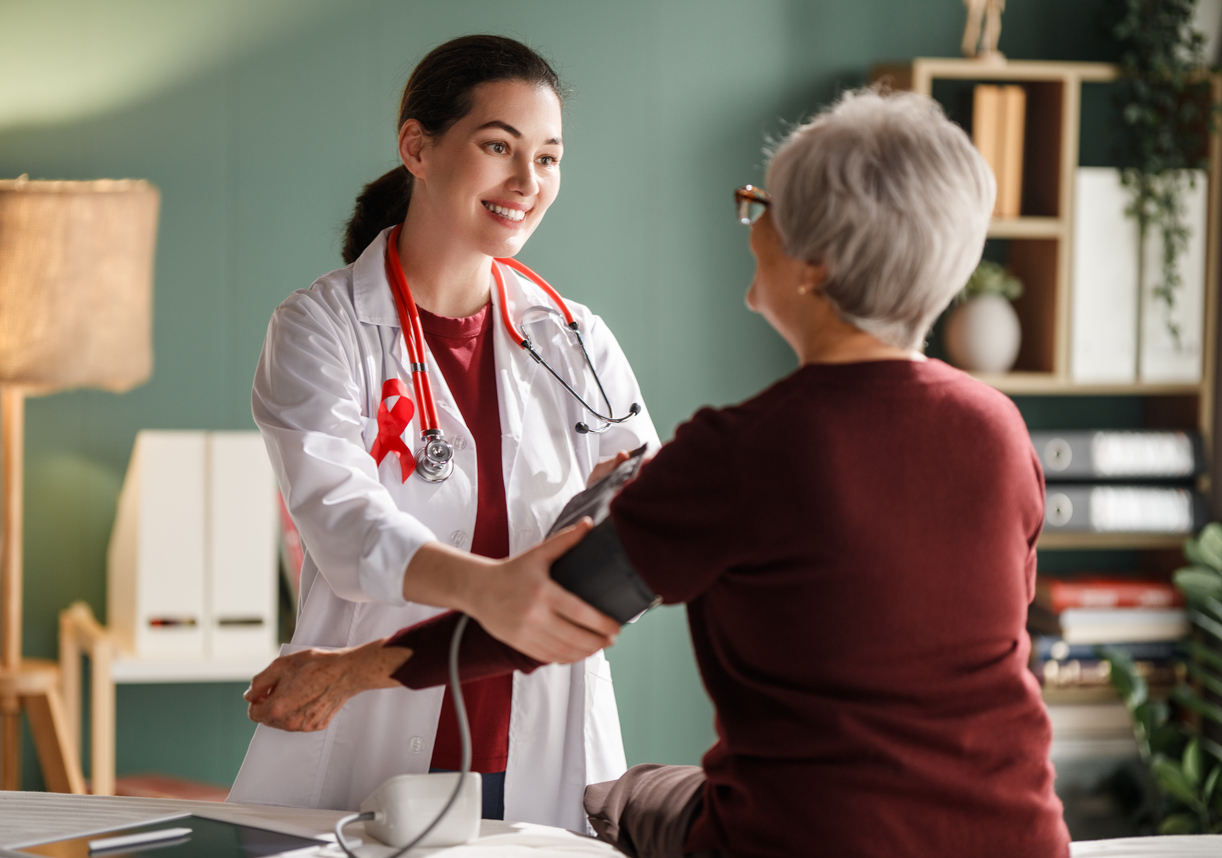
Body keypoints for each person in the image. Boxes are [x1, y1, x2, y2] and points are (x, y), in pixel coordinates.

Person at [244, 88, 1069, 857]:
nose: (750, 226)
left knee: (625, 802)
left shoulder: (743, 446)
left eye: (762, 209)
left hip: (802, 834)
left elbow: (563, 603)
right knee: (631, 795)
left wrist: (351, 672)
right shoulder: (1001, 428)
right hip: (1018, 830)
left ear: (812, 264)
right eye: (500, 146)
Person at [227, 35, 659, 832]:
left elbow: (644, 520)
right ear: (417, 147)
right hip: (375, 743)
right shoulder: (323, 328)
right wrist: (493, 590)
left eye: (549, 157)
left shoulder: (576, 339)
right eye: (499, 146)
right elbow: (344, 528)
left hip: (543, 734)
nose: (527, 183)